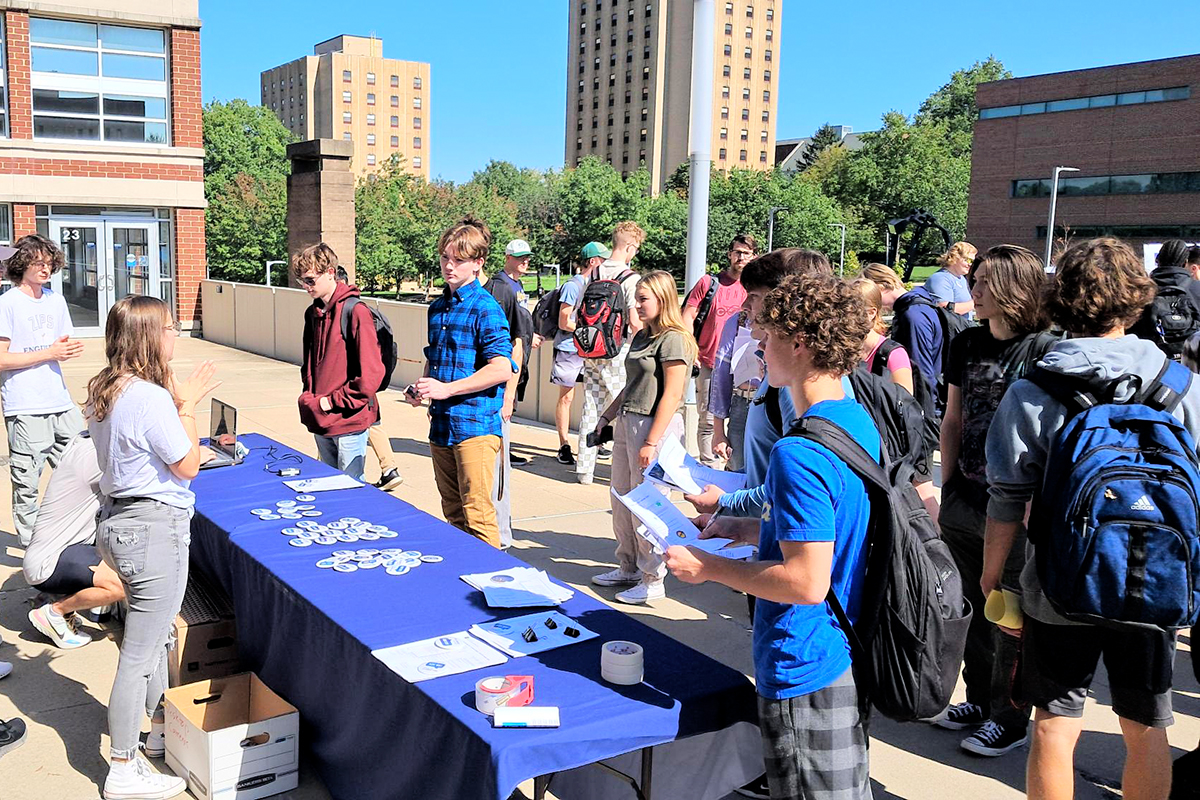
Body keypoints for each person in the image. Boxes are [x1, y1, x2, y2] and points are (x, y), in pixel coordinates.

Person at [983, 238, 1194, 800]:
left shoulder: (1035, 389)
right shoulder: (1181, 385)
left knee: (1054, 723)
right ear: (1138, 301)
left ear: (1061, 301)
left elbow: (1006, 495)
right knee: (1147, 725)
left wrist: (994, 574)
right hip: (1154, 578)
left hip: (1059, 580)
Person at [666, 272, 878, 800]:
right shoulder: (855, 421)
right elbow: (827, 520)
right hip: (844, 647)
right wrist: (746, 522)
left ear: (800, 342)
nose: (758, 345)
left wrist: (709, 567)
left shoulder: (798, 451)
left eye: (767, 335)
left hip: (803, 657)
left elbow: (805, 581)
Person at [86, 295, 219, 800]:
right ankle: (122, 767)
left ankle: (160, 729)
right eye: (168, 327)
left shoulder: (108, 387)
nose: (175, 335)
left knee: (157, 635)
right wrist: (187, 404)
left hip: (121, 522)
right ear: (147, 336)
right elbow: (187, 465)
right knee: (139, 654)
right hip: (150, 529)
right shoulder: (150, 397)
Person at [936, 244, 1058, 757]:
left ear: (1014, 287)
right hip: (964, 497)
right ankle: (981, 700)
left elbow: (1054, 434)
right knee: (971, 606)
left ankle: (1010, 717)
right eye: (975, 279)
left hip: (1017, 507)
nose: (974, 289)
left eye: (985, 282)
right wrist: (945, 487)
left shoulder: (1047, 348)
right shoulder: (964, 343)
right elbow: (953, 420)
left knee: (1010, 612)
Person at [408, 217, 515, 548]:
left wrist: (447, 389)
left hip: (476, 427)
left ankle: (497, 589)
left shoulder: (486, 307)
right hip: (441, 423)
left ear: (477, 263)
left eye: (458, 259)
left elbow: (502, 368)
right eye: (445, 258)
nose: (449, 266)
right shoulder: (438, 308)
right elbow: (437, 360)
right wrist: (423, 387)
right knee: (453, 513)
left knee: (478, 515)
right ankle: (464, 582)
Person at [591, 270, 697, 604]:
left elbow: (673, 393)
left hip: (654, 426)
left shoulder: (674, 339)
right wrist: (607, 416)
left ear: (662, 299)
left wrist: (652, 441)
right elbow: (631, 384)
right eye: (635, 299)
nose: (635, 306)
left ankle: (653, 578)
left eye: (642, 299)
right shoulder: (642, 337)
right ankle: (628, 567)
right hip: (628, 421)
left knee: (647, 504)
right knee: (621, 498)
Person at [0, 235, 85, 547]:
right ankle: (34, 554)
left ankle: (77, 537)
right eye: (38, 262)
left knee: (85, 469)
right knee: (27, 484)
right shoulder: (6, 304)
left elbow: (60, 345)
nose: (45, 268)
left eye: (49, 263)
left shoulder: (55, 300)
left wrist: (65, 349)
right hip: (25, 406)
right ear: (21, 264)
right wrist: (49, 353)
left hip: (60, 402)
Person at [24, 433, 124, 650]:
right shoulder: (95, 456)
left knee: (119, 558)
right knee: (120, 584)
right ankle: (55, 612)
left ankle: (58, 601)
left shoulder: (88, 442)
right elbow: (141, 476)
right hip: (50, 561)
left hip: (60, 551)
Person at [295, 244, 384, 482]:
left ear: (331, 273)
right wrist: (310, 399)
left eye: (310, 280)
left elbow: (371, 374)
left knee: (350, 489)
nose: (306, 286)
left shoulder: (356, 311)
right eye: (301, 281)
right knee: (329, 487)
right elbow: (309, 365)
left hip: (349, 421)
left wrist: (329, 402)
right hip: (321, 419)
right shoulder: (311, 313)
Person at [576, 221, 645, 484]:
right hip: (617, 352)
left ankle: (585, 469)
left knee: (591, 406)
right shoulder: (630, 278)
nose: (634, 253)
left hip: (590, 349)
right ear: (628, 246)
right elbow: (635, 321)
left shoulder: (593, 274)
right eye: (635, 248)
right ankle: (624, 468)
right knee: (622, 408)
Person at [682, 234, 755, 465]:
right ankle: (708, 468)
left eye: (746, 252)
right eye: (737, 252)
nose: (740, 256)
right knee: (707, 419)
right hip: (709, 361)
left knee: (740, 418)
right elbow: (688, 316)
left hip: (744, 368)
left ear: (754, 256)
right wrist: (691, 349)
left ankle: (733, 467)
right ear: (729, 254)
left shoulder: (755, 288)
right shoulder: (710, 283)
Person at [331, 266, 402, 490]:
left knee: (360, 428)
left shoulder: (354, 312)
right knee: (374, 423)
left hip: (356, 385)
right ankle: (389, 469)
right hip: (367, 384)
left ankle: (389, 469)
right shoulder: (367, 311)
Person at [480, 261, 534, 549]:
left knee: (498, 473)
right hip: (468, 401)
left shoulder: (500, 292)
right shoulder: (454, 297)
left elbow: (518, 345)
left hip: (498, 396)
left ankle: (501, 537)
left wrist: (509, 395)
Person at [551, 241, 610, 465]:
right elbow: (564, 321)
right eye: (603, 260)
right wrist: (589, 331)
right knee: (566, 397)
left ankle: (597, 441)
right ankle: (564, 445)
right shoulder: (573, 286)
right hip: (569, 348)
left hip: (589, 350)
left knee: (595, 397)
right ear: (593, 262)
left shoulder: (601, 286)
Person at [1129, 239, 1200, 360]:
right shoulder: (1197, 289)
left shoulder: (1140, 292)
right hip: (1193, 362)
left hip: (1152, 364)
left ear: (1158, 262)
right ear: (1185, 263)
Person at [708, 302, 756, 473]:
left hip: (778, 406)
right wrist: (718, 432)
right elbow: (721, 373)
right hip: (744, 403)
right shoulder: (737, 321)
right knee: (738, 472)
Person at [852, 278, 914, 394]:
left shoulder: (894, 354)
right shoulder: (841, 350)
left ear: (871, 313)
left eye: (851, 311)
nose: (842, 318)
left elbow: (905, 406)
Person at [926, 241, 977, 316]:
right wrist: (976, 302)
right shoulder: (940, 278)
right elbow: (944, 309)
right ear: (955, 257)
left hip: (963, 326)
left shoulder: (961, 278)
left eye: (972, 261)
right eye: (967, 260)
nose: (970, 264)